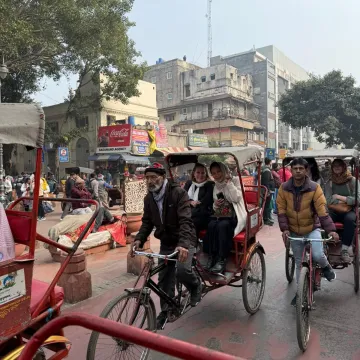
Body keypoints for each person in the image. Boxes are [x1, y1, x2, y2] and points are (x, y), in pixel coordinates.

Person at [132, 163, 202, 330]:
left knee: (182, 270)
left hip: (185, 239)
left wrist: (184, 245)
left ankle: (196, 286)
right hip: (166, 241)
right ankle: (166, 309)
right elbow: (147, 222)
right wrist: (139, 239)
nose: (149, 181)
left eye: (153, 177)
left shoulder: (178, 193)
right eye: (147, 178)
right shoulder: (149, 198)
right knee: (164, 277)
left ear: (162, 177)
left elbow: (185, 220)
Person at [277, 158, 339, 306]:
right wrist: (285, 229)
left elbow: (322, 211)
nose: (298, 171)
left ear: (306, 170)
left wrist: (331, 230)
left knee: (318, 255)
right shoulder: (283, 188)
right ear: (291, 170)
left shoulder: (314, 188)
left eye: (301, 168)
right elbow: (281, 210)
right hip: (293, 231)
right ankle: (301, 293)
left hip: (312, 229)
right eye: (295, 168)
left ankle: (326, 267)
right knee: (299, 263)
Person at [204, 162, 247, 274]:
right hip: (222, 214)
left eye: (218, 172)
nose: (217, 175)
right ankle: (212, 256)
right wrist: (216, 204)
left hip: (236, 214)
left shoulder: (236, 180)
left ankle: (222, 259)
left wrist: (228, 183)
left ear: (224, 170)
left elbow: (237, 198)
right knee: (211, 225)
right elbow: (215, 203)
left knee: (223, 226)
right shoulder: (216, 185)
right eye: (214, 173)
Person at [324, 158, 360, 263]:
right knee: (323, 218)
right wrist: (348, 200)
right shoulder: (329, 182)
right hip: (333, 211)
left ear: (344, 167)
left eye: (339, 165)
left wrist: (340, 197)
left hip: (349, 211)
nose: (337, 167)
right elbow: (328, 200)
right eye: (334, 165)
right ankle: (325, 244)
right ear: (332, 168)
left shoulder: (352, 180)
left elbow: (358, 199)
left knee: (350, 220)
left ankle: (344, 249)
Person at [183, 163, 214, 237]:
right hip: (189, 212)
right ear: (194, 173)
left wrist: (194, 203)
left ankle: (192, 245)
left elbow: (206, 201)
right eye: (198, 172)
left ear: (206, 174)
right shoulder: (189, 183)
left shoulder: (210, 184)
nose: (200, 175)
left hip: (204, 213)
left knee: (191, 222)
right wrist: (190, 202)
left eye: (203, 173)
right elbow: (183, 197)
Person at [261, 158, 275, 226]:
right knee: (266, 206)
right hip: (267, 191)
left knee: (267, 205)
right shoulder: (266, 170)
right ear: (270, 162)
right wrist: (267, 191)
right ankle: (265, 219)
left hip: (268, 190)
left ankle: (266, 218)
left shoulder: (266, 169)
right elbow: (266, 182)